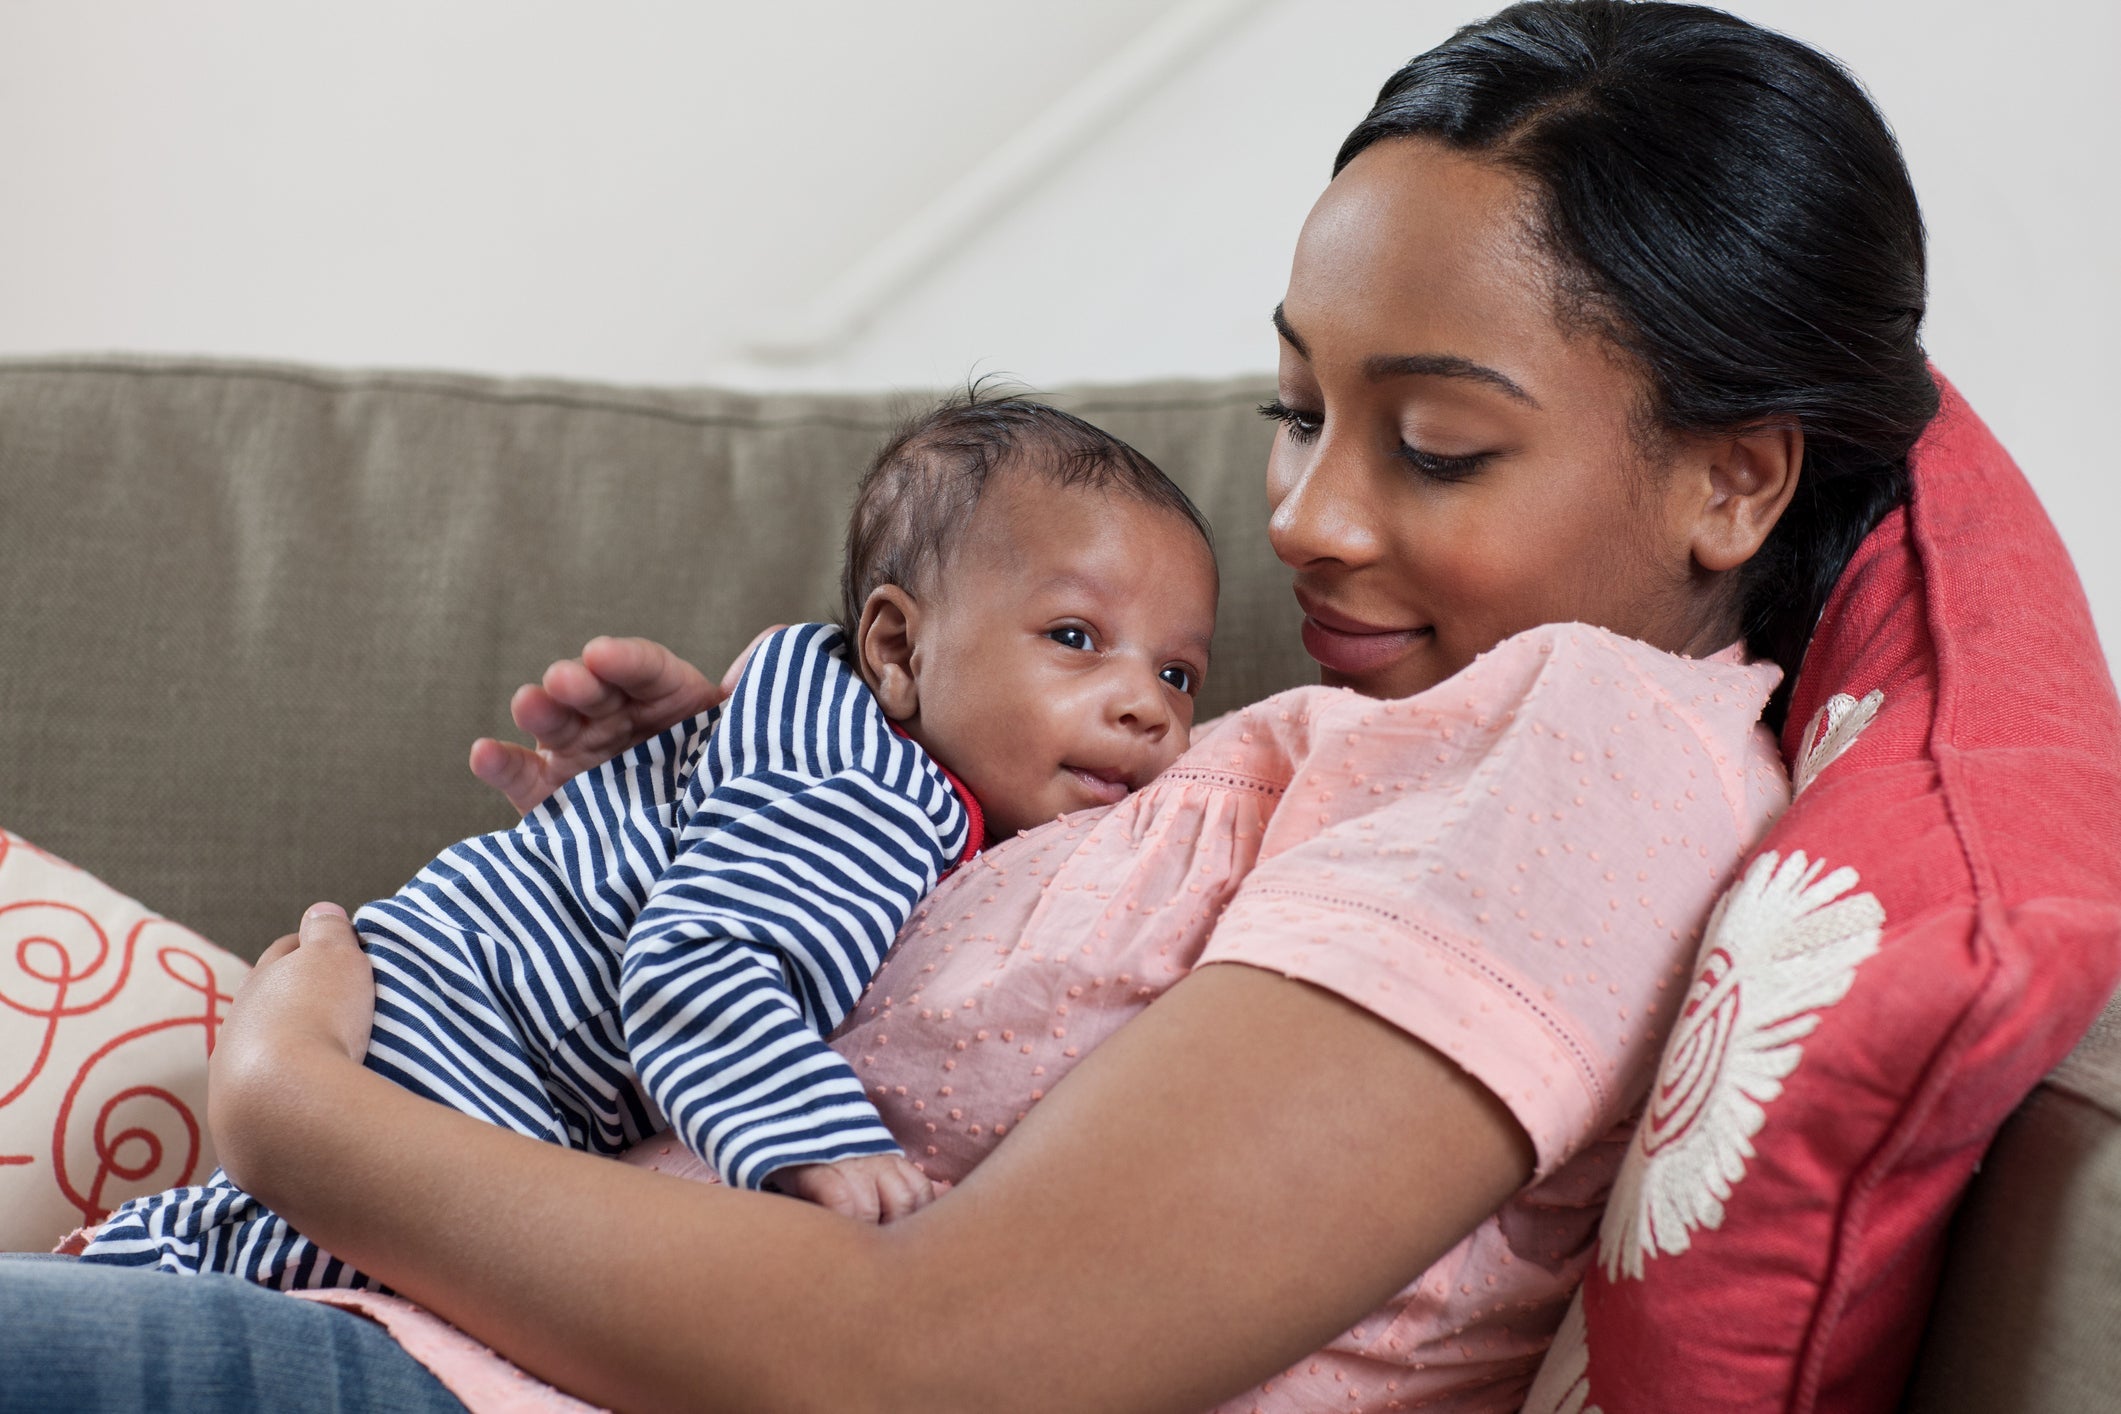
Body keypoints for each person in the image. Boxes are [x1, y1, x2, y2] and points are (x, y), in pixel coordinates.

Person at [0, 3, 1944, 1410]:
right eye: (1295, 410)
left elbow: (930, 1360)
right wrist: (750, 760)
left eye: (1434, 440)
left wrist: (294, 1113)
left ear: (1733, 479)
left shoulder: (1586, 745)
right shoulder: (1371, 730)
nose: (1304, 517)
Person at [76, 394, 1219, 1284]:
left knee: (285, 1244)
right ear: (897, 649)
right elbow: (696, 964)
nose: (1144, 706)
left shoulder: (832, 721)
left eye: (1178, 672)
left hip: (450, 996)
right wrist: (824, 1147)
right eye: (1076, 637)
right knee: (321, 1264)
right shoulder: (870, 794)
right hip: (482, 1037)